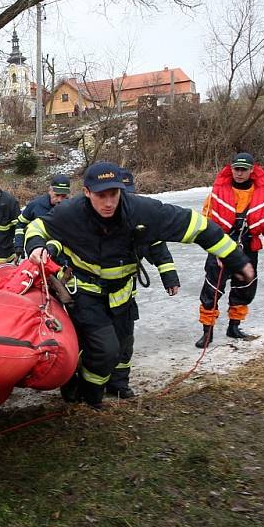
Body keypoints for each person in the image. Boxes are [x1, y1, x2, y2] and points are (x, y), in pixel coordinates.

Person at [25, 161, 254, 409]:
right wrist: (36, 246)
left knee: (123, 347)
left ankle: (116, 384)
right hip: (87, 295)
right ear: (87, 192)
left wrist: (238, 260)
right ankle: (89, 396)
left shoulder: (141, 211)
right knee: (105, 349)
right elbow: (37, 227)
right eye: (101, 196)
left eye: (114, 194)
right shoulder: (70, 212)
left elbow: (197, 227)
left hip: (122, 294)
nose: (109, 203)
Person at [106, 169, 180, 399]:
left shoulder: (142, 221)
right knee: (93, 343)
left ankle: (118, 384)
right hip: (92, 297)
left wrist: (170, 277)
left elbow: (158, 249)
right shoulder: (93, 220)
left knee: (124, 341)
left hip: (125, 295)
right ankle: (88, 385)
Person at [195, 152, 264, 348]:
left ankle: (234, 326)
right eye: (236, 169)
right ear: (231, 169)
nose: (239, 173)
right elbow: (206, 221)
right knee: (212, 288)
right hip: (221, 245)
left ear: (252, 170)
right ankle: (208, 332)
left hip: (249, 247)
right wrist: (212, 248)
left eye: (244, 170)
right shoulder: (216, 194)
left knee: (244, 288)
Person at [15, 174, 71, 257]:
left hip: (62, 257)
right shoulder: (35, 205)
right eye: (57, 195)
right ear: (50, 191)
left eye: (63, 196)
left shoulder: (72, 208)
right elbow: (20, 224)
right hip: (38, 254)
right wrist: (19, 246)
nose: (60, 200)